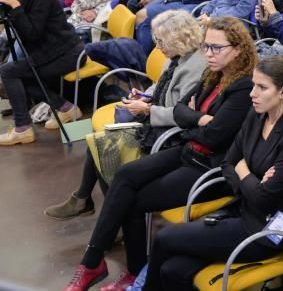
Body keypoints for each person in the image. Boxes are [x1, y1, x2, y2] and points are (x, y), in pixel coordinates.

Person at [63, 17, 256, 290]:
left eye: (216, 48)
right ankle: (94, 261)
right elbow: (180, 110)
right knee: (124, 175)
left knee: (130, 200)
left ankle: (115, 268)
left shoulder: (243, 86)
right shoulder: (213, 73)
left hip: (208, 168)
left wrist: (194, 118)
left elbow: (214, 136)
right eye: (206, 46)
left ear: (238, 49)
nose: (208, 53)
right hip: (187, 149)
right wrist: (198, 118)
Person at [144, 55, 283, 289]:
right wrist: (250, 181)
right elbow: (228, 162)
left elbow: (265, 200)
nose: (252, 93)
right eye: (254, 84)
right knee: (172, 270)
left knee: (163, 239)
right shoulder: (257, 115)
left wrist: (243, 171)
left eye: (262, 87)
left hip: (262, 230)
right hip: (241, 210)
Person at [44, 10, 206, 220]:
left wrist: (147, 109)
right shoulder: (179, 56)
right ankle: (92, 203)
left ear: (179, 39)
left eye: (161, 40)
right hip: (155, 119)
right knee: (98, 144)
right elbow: (160, 84)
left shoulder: (195, 68)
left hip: (170, 135)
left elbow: (182, 114)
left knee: (101, 146)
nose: (157, 46)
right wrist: (143, 95)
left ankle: (96, 206)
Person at [0, 0, 85, 142]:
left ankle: (22, 129)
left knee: (8, 72)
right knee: (17, 74)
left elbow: (31, 35)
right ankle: (66, 109)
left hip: (67, 53)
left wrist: (15, 6)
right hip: (50, 51)